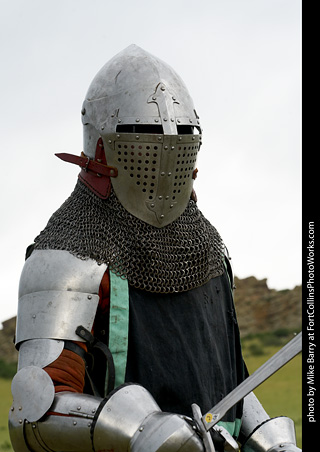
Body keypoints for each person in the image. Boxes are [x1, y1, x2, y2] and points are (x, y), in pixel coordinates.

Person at [9, 44, 301, 452]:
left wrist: (267, 439)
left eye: (181, 137)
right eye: (142, 138)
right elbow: (34, 414)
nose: (165, 153)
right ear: (102, 149)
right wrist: (139, 428)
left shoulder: (205, 248)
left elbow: (227, 379)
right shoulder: (67, 259)